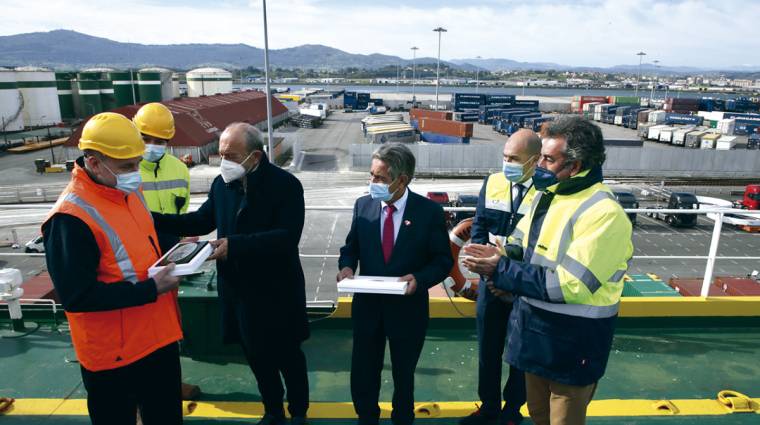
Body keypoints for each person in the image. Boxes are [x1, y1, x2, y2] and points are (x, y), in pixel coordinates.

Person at [463, 116, 633, 425]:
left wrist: (503, 272)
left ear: (576, 166)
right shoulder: (549, 195)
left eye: (548, 159)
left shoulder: (604, 213)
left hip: (572, 347)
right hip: (536, 338)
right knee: (540, 416)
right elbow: (518, 243)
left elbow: (569, 285)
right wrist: (498, 259)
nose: (539, 165)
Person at [152, 122, 309, 425]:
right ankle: (273, 410)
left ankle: (299, 410)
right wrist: (154, 220)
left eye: (232, 156)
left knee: (288, 354)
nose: (225, 162)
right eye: (222, 154)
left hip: (277, 290)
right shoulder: (222, 185)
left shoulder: (286, 186)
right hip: (239, 291)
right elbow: (201, 221)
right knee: (256, 356)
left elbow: (287, 237)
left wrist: (233, 245)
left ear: (255, 156)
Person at [42, 112, 184, 425]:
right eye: (127, 166)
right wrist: (151, 288)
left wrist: (182, 249)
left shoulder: (126, 192)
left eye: (137, 163)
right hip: (114, 356)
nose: (136, 173)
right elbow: (78, 297)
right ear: (93, 162)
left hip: (156, 338)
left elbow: (141, 239)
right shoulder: (69, 218)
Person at [337, 143, 453, 425]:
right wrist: (346, 266)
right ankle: (367, 418)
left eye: (379, 178)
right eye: (371, 176)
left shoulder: (429, 213)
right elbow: (350, 247)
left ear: (402, 180)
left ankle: (403, 419)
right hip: (368, 308)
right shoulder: (363, 206)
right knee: (364, 372)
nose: (372, 183)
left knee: (404, 375)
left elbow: (442, 260)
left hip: (408, 309)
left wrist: (420, 279)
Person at [460, 130, 541, 425]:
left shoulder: (547, 192)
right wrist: (490, 276)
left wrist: (509, 277)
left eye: (514, 159)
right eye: (505, 157)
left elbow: (540, 244)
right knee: (488, 349)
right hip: (490, 285)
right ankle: (489, 405)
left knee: (520, 352)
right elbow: (479, 227)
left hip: (523, 286)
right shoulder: (493, 182)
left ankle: (512, 409)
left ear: (534, 161)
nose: (507, 164)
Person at [133, 102, 199, 400]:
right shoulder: (126, 170)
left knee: (170, 326)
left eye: (160, 141)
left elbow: (182, 213)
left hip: (169, 259)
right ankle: (140, 396)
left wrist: (186, 244)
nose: (153, 146)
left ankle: (171, 384)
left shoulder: (179, 169)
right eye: (146, 138)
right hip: (134, 263)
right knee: (137, 330)